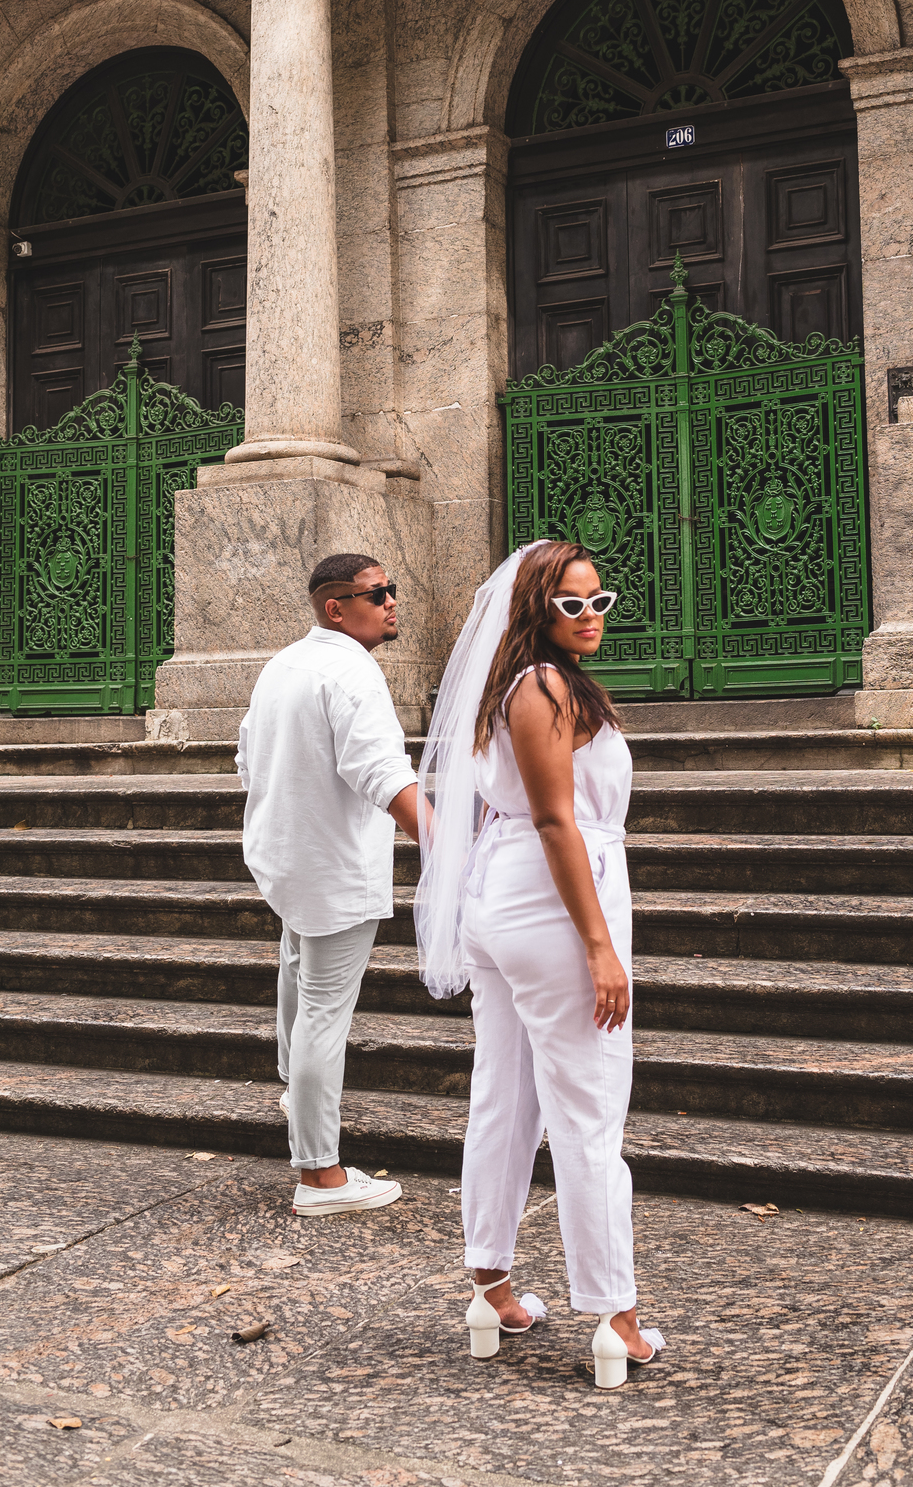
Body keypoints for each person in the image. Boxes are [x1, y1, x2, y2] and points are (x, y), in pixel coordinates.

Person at [414, 540, 664, 1388]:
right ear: (536, 608)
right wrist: (598, 945)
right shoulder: (545, 687)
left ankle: (492, 1288)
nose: (590, 617)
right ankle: (616, 1319)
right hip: (555, 903)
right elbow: (558, 821)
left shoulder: (511, 686)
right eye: (571, 603)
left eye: (600, 601)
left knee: (505, 1095)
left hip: (506, 897)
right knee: (589, 1109)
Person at [237, 552, 422, 1218]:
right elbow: (383, 773)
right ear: (336, 608)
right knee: (321, 1014)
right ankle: (320, 1176)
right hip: (335, 868)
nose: (392, 601)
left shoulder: (284, 665)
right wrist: (450, 849)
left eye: (392, 589)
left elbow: (247, 757)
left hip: (290, 861)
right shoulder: (352, 671)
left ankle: (299, 1098)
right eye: (378, 593)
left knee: (298, 988)